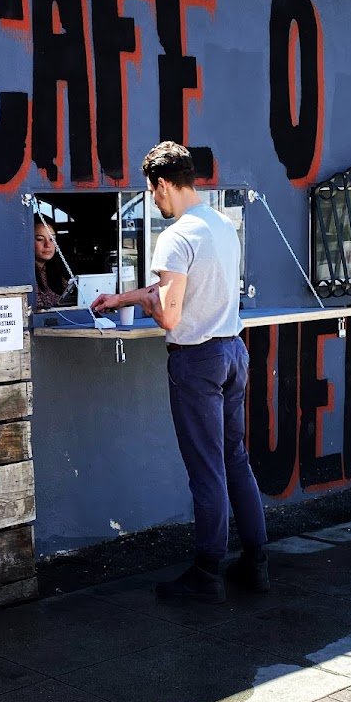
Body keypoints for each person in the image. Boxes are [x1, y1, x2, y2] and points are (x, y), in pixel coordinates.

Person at [92, 141, 268, 603]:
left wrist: (149, 303)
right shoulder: (221, 226)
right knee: (235, 460)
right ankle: (256, 562)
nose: (153, 200)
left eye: (152, 190)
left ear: (164, 184)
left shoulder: (175, 236)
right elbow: (176, 287)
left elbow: (169, 314)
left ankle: (207, 573)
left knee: (206, 470)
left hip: (196, 362)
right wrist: (122, 299)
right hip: (232, 352)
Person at [33, 217, 76, 310]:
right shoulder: (26, 275)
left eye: (52, 239)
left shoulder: (56, 270)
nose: (47, 245)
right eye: (40, 239)